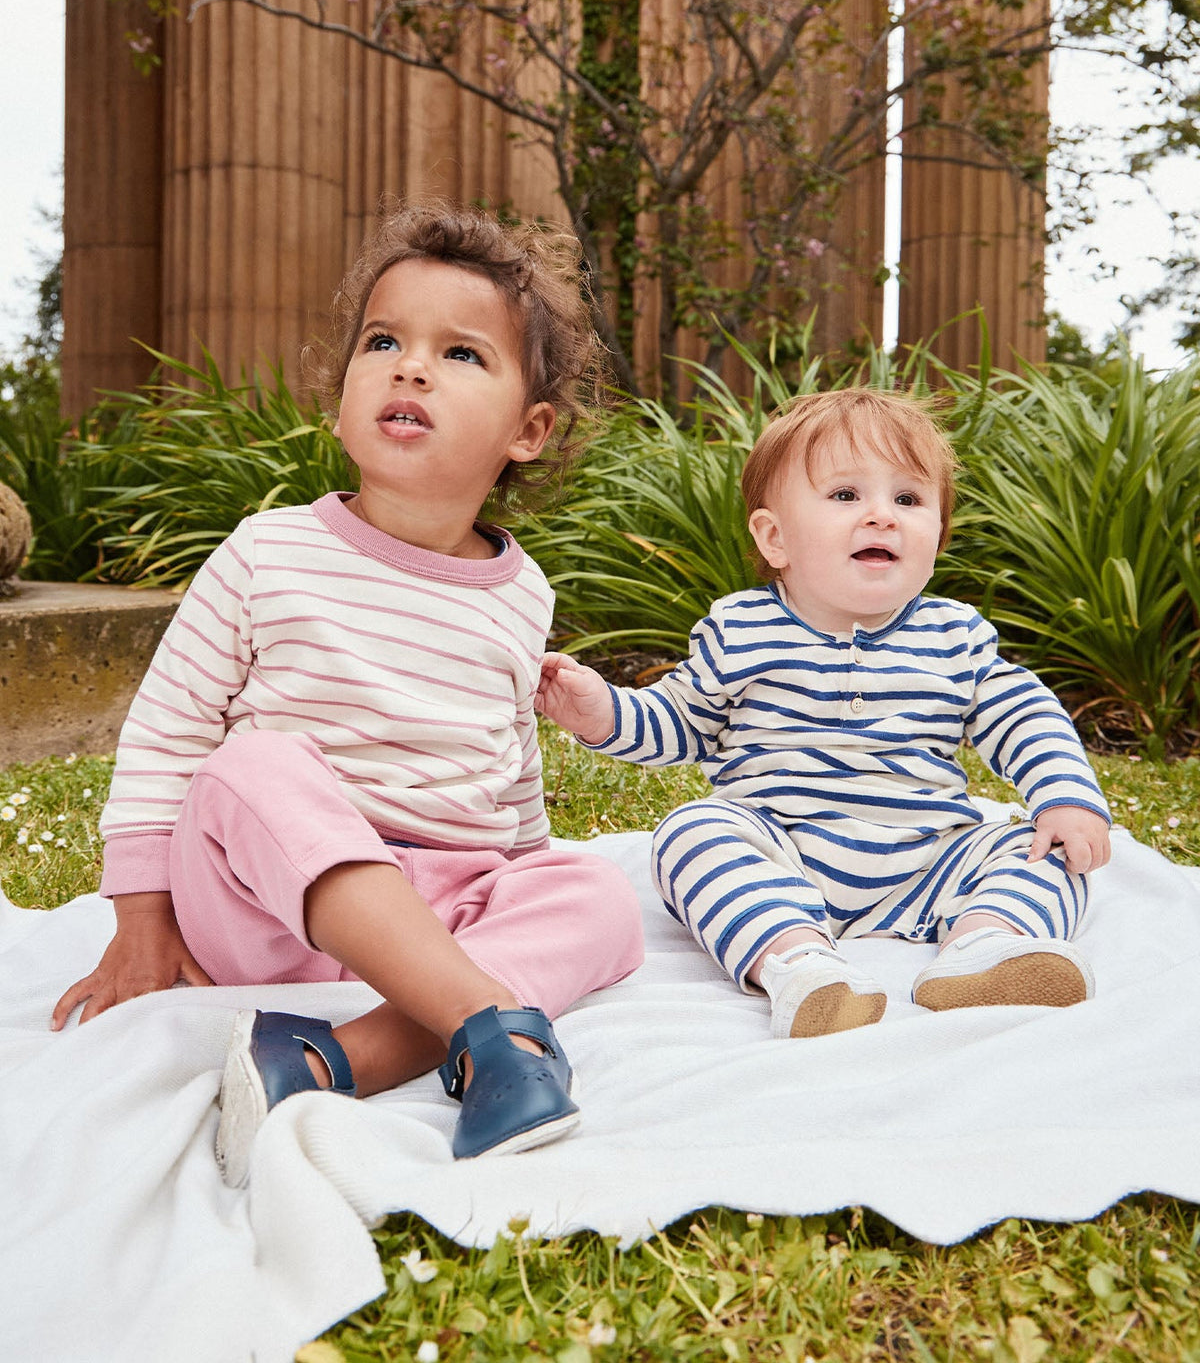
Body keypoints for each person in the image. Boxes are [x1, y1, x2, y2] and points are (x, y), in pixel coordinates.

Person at [51, 200, 644, 1185]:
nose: (410, 368)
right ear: (341, 400)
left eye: (461, 354)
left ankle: (337, 1058)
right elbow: (168, 733)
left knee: (599, 896)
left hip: (435, 909)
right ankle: (487, 1024)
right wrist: (142, 924)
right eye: (383, 341)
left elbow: (509, 766)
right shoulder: (269, 551)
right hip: (267, 910)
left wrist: (525, 879)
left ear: (529, 430)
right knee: (252, 767)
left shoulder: (522, 591)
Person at [537, 387, 1111, 1040]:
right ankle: (798, 960)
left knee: (1042, 850)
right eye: (845, 495)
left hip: (930, 857)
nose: (882, 516)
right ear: (775, 537)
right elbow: (681, 720)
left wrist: (1065, 797)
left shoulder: (955, 636)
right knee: (690, 833)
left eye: (908, 499)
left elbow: (1024, 714)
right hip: (783, 849)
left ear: (938, 537)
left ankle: (986, 945)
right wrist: (603, 713)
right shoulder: (741, 628)